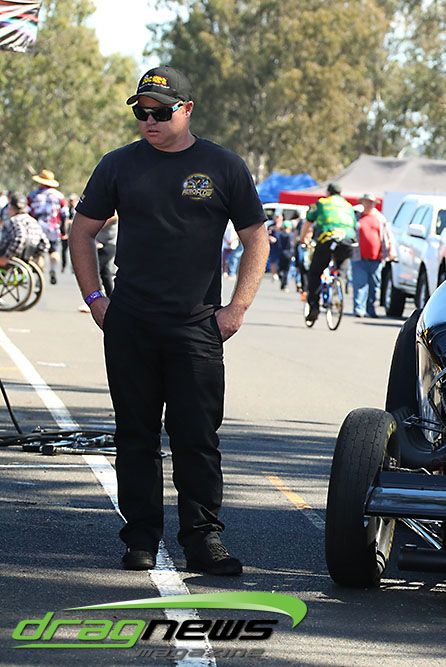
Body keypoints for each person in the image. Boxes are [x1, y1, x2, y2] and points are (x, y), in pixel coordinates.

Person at [69, 65, 269, 576]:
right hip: (130, 323)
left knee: (196, 438)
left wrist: (237, 309)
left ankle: (203, 540)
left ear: (187, 110)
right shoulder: (118, 164)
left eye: (160, 112)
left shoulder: (223, 166)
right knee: (135, 436)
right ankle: (140, 538)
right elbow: (82, 232)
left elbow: (256, 238)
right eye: (142, 112)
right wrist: (95, 298)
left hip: (197, 326)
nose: (150, 121)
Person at [303, 182, 355, 322]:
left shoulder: (322, 203)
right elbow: (354, 226)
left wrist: (302, 239)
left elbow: (308, 222)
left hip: (327, 239)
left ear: (328, 192)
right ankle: (340, 284)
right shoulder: (348, 206)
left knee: (315, 273)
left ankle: (314, 306)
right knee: (342, 267)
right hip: (347, 241)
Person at [352, 193, 393, 317]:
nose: (369, 204)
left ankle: (371, 309)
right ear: (362, 203)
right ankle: (359, 309)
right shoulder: (357, 218)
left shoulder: (380, 219)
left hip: (376, 258)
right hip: (359, 256)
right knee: (360, 283)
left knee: (374, 285)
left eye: (371, 202)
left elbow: (388, 236)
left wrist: (391, 250)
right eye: (367, 201)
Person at [28, 169, 69, 284]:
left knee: (39, 253)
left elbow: (29, 212)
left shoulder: (33, 195)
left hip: (37, 228)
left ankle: (39, 276)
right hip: (53, 229)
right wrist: (64, 231)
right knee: (54, 251)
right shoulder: (59, 196)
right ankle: (53, 269)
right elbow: (64, 215)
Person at [0, 192, 50, 267]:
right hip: (28, 255)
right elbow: (45, 243)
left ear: (11, 207)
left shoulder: (14, 220)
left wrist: (7, 257)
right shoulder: (33, 221)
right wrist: (38, 255)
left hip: (13, 255)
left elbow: (20, 238)